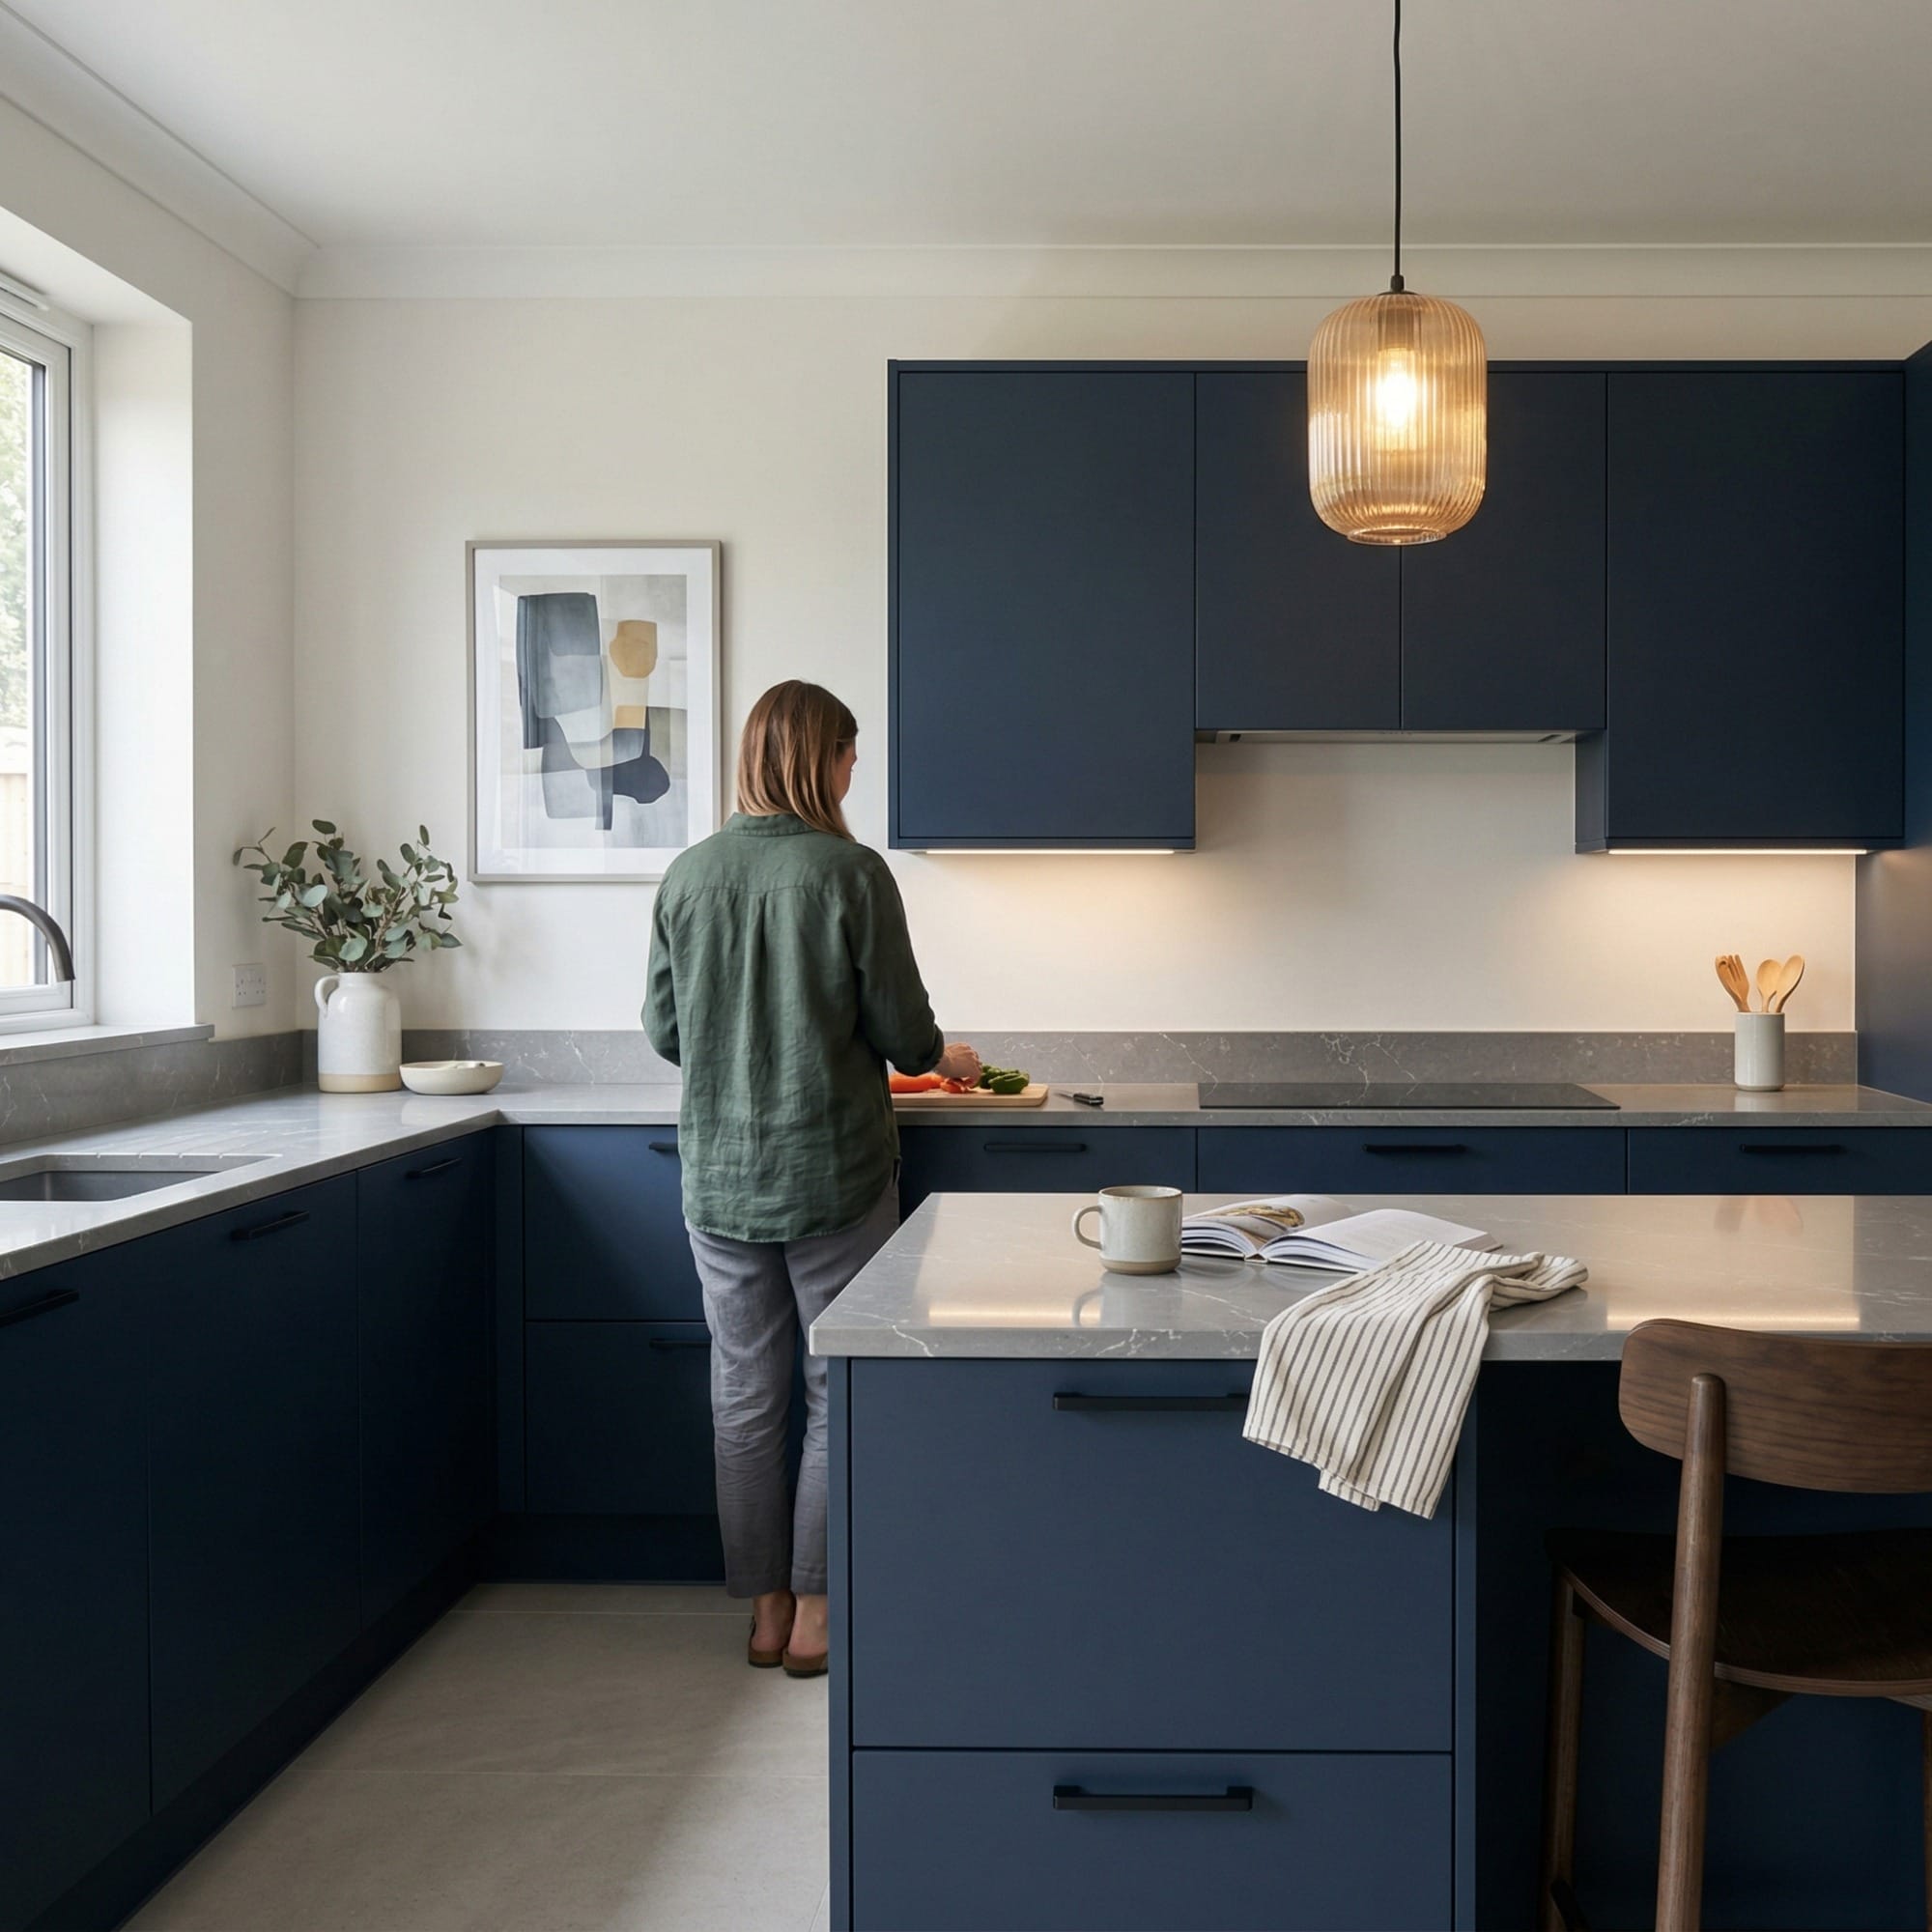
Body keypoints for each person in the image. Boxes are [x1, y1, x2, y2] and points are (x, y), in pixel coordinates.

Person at [643, 680, 980, 1675]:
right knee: (839, 1387)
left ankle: (764, 1609)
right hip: (833, 1171)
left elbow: (665, 1030)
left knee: (744, 1392)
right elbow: (906, 1032)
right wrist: (948, 1058)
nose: (853, 768)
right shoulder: (850, 872)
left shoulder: (687, 874)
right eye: (846, 752)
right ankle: (819, 1615)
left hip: (719, 1177)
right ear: (815, 759)